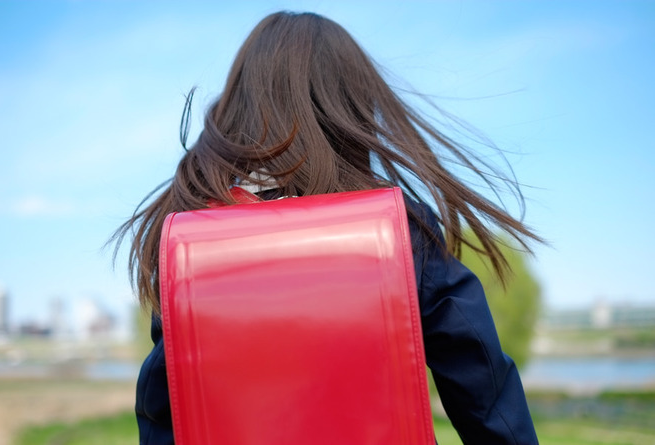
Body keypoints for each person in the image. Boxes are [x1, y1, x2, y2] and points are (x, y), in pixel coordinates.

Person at [112, 11, 541, 444]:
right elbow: (486, 394)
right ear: (350, 109)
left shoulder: (190, 249)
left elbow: (164, 414)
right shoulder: (397, 232)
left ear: (239, 108)